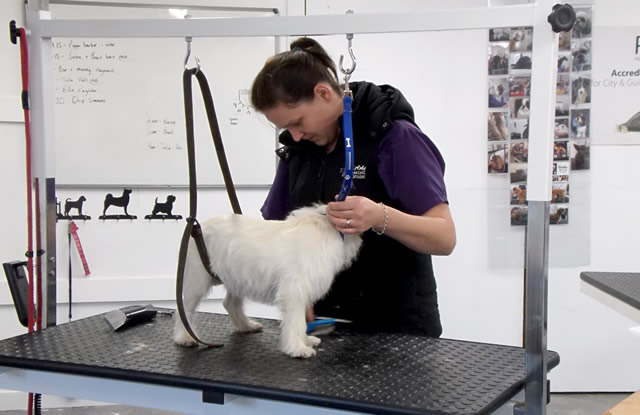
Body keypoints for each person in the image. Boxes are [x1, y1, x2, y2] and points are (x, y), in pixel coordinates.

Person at [250, 37, 456, 337]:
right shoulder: (299, 149)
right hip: (325, 327)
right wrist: (295, 293)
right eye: (286, 129)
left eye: (297, 122)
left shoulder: (394, 136)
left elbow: (444, 237)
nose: (294, 136)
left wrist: (379, 216)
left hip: (396, 329)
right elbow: (277, 230)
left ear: (322, 93)